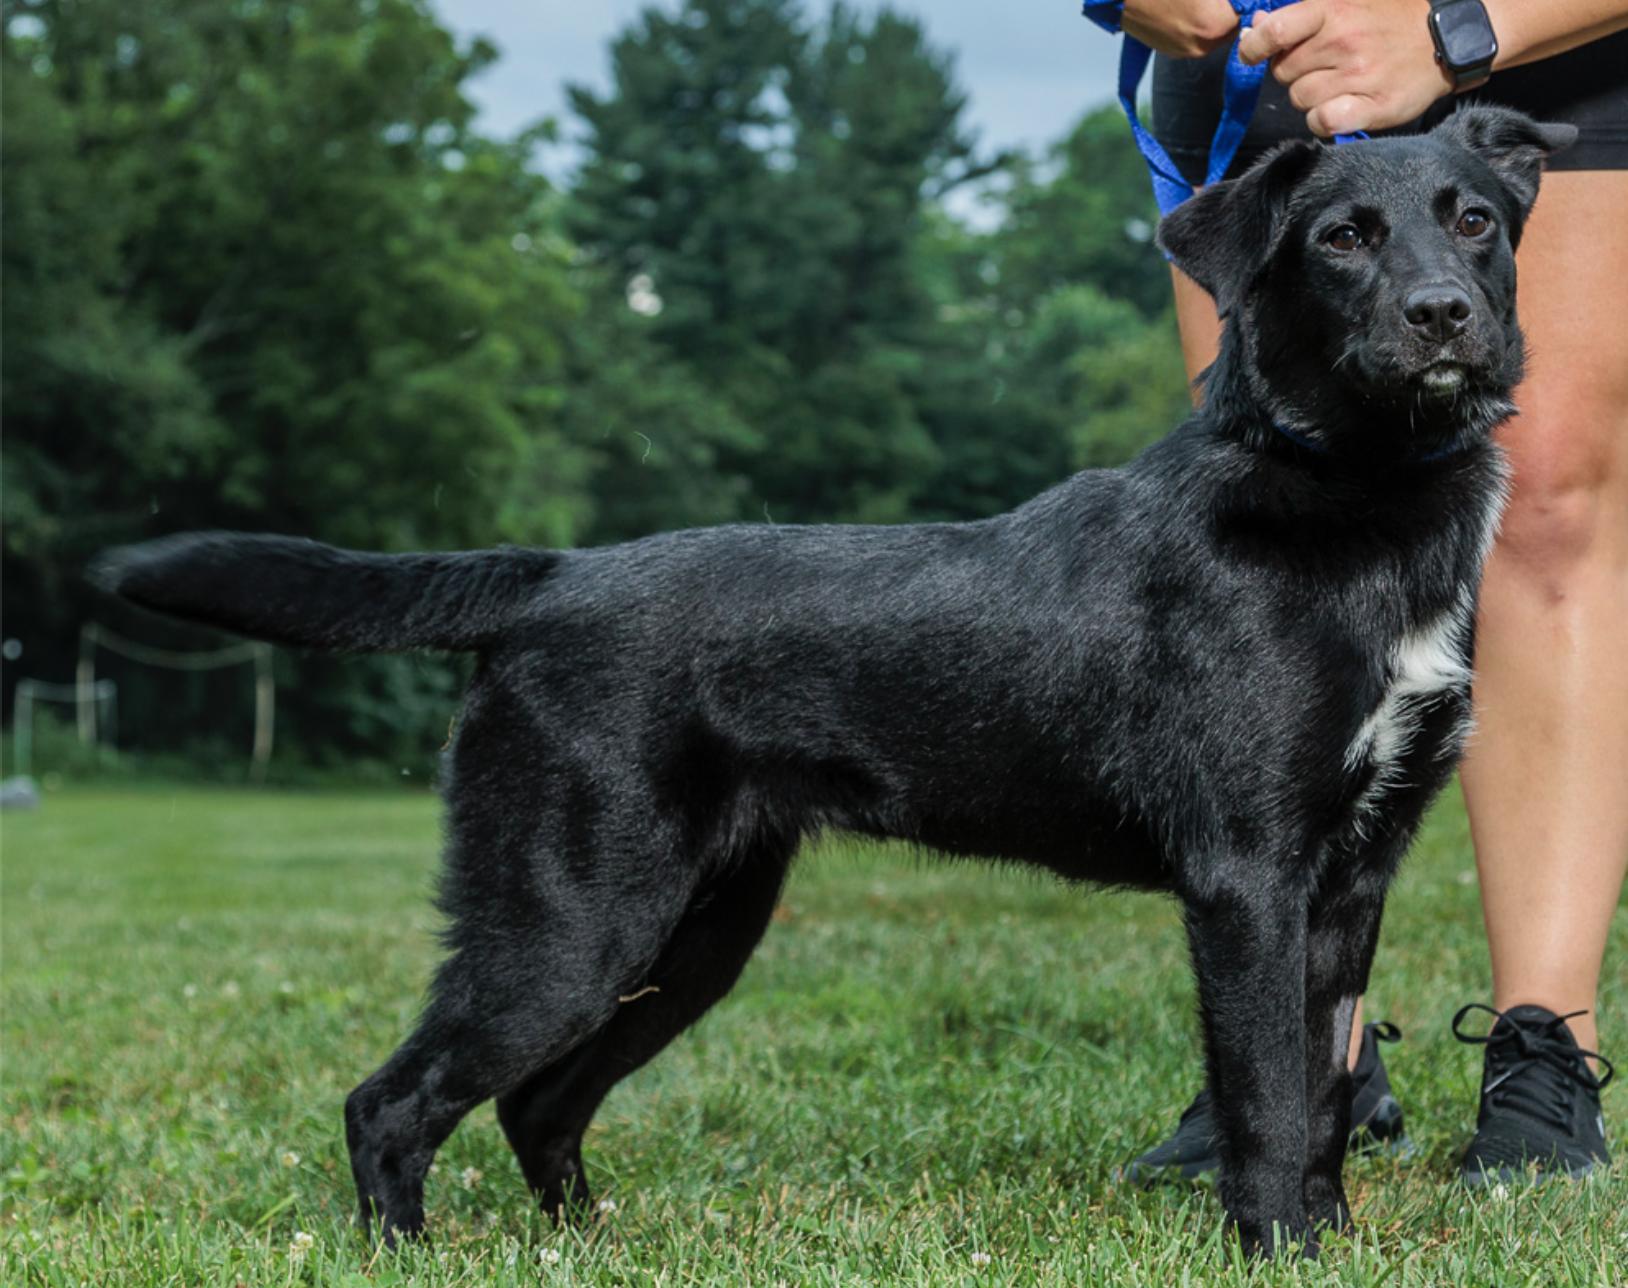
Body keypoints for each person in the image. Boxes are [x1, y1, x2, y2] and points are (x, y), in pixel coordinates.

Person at [1113, 0, 1628, 1185]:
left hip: (1556, 38)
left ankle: (1542, 1054)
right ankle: (1308, 1059)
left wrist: (1460, 30)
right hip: (1258, 58)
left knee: (1541, 498)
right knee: (1268, 495)